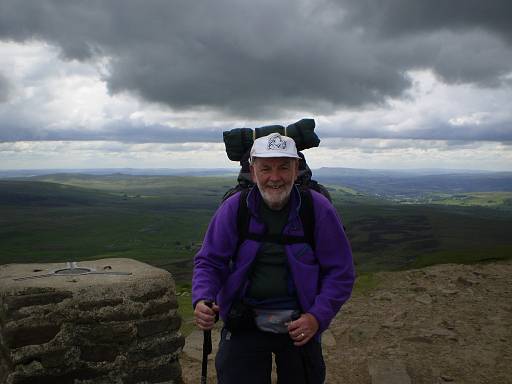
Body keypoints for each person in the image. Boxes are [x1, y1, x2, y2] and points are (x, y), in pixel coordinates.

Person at [192, 133, 355, 384]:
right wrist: (203, 298)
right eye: (266, 168)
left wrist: (317, 317)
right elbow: (210, 261)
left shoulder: (317, 209)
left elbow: (340, 272)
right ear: (253, 171)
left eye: (283, 167)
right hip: (244, 318)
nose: (275, 177)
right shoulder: (235, 208)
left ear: (296, 169)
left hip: (300, 320)